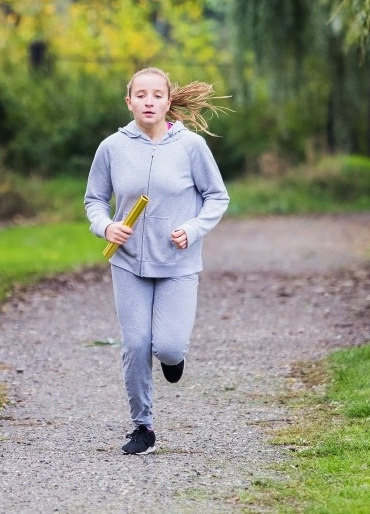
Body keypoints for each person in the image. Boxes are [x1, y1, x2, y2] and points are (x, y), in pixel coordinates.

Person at [84, 67, 230, 455]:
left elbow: (217, 196)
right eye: (141, 95)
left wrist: (194, 229)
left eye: (156, 95)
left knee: (165, 346)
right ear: (128, 101)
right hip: (128, 263)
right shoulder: (112, 148)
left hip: (177, 264)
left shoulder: (191, 147)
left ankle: (173, 355)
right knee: (135, 343)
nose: (149, 101)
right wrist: (105, 227)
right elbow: (94, 200)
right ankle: (142, 426)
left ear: (169, 101)